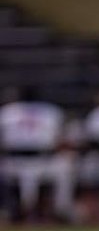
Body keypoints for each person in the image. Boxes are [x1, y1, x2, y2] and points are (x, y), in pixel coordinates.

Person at [0, 85, 76, 223]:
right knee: (57, 169)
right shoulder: (49, 111)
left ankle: (61, 210)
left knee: (64, 168)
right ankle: (10, 211)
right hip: (19, 161)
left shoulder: (8, 111)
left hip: (38, 160)